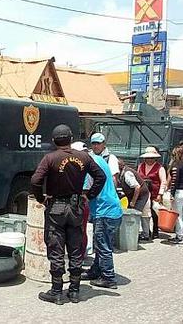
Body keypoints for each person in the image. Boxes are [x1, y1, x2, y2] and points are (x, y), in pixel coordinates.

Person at [31, 125, 106, 305]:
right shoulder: (83, 157)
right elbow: (101, 177)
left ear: (54, 140)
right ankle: (74, 291)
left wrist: (42, 199)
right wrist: (88, 195)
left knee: (56, 249)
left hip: (56, 207)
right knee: (75, 248)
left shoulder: (50, 158)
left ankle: (57, 292)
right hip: (76, 208)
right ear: (70, 139)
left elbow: (35, 180)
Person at [80, 149, 123, 289]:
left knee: (103, 245)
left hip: (104, 211)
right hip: (112, 209)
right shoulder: (98, 160)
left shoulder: (88, 164)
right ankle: (96, 270)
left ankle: (108, 277)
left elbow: (85, 190)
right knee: (101, 243)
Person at [117, 159, 151, 241]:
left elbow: (137, 187)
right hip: (135, 195)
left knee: (135, 214)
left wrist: (133, 202)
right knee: (134, 214)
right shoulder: (122, 173)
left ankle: (137, 235)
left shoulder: (127, 173)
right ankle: (135, 234)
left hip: (141, 195)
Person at [138, 146, 167, 239]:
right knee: (145, 213)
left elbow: (163, 181)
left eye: (151, 158)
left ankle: (155, 230)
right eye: (148, 158)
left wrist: (160, 194)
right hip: (144, 194)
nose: (149, 160)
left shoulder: (160, 168)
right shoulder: (140, 166)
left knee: (155, 213)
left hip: (155, 193)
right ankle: (146, 231)